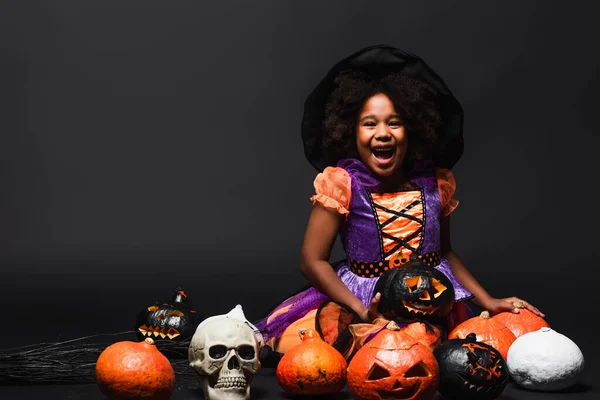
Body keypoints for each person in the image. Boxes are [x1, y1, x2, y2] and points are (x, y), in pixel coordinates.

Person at [254, 45, 544, 359]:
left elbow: (444, 251)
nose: (383, 134)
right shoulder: (341, 184)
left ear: (413, 130)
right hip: (365, 299)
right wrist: (360, 309)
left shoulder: (436, 183)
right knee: (359, 358)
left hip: (434, 297)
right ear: (351, 132)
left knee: (455, 357)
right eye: (370, 124)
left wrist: (486, 299)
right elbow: (311, 261)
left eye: (394, 123)